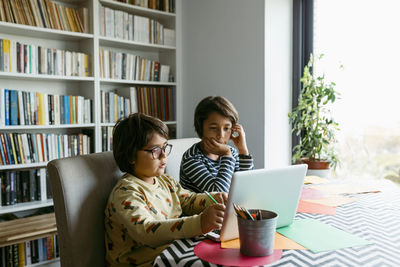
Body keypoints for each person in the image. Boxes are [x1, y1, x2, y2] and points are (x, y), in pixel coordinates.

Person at [104, 113, 226, 267]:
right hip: (146, 262)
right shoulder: (126, 192)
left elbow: (189, 200)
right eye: (155, 150)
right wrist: (200, 222)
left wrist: (218, 197)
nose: (163, 155)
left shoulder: (165, 180)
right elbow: (146, 231)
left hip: (171, 253)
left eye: (165, 147)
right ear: (131, 156)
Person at [180, 96, 254, 193]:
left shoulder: (232, 152)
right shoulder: (191, 158)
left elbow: (247, 186)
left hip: (229, 206)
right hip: (203, 208)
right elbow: (219, 193)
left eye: (226, 129)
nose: (220, 135)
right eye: (213, 128)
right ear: (201, 127)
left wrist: (243, 150)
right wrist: (226, 155)